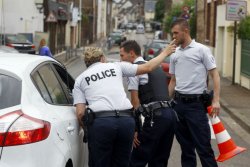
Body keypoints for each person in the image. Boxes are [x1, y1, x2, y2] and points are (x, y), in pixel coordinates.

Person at [73, 44, 176, 167]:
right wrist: (165, 53)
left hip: (102, 123)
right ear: (102, 58)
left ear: (86, 63)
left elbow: (80, 113)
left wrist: (88, 129)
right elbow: (148, 67)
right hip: (126, 122)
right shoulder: (116, 66)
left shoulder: (80, 79)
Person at [168, 18, 220, 167]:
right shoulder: (175, 54)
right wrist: (166, 102)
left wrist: (216, 100)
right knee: (186, 149)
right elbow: (173, 80)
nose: (174, 36)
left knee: (203, 148)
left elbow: (215, 75)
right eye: (172, 33)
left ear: (186, 31)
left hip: (196, 106)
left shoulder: (202, 50)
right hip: (178, 105)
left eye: (176, 33)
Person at [120, 40, 177, 167]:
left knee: (137, 159)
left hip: (156, 118)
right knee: (159, 161)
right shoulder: (156, 67)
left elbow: (135, 102)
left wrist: (136, 129)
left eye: (122, 55)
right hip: (170, 116)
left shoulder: (135, 71)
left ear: (132, 53)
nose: (121, 59)